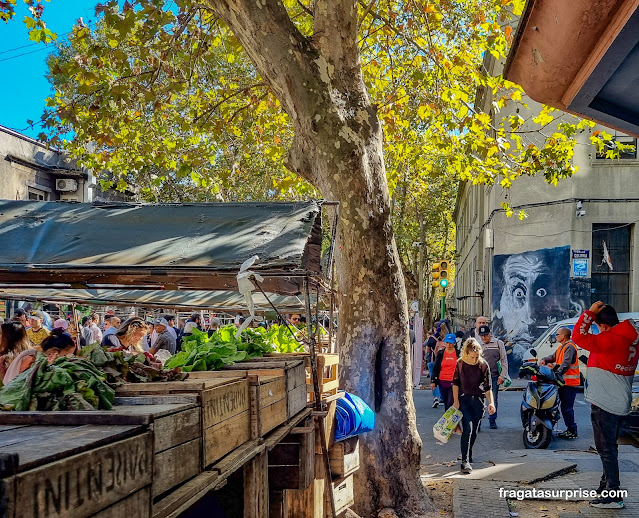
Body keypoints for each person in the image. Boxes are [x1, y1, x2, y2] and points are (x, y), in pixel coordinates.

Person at [572, 301, 639, 509]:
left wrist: (589, 313)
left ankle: (613, 495)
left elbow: (578, 336)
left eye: (597, 325)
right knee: (609, 448)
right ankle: (605, 486)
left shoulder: (609, 339)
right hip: (620, 400)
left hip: (605, 402)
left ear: (602, 325)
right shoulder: (629, 339)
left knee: (606, 449)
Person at [452, 338, 496, 474]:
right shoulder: (459, 364)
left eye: (476, 357)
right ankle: (464, 461)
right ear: (466, 353)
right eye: (472, 357)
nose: (474, 360)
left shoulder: (483, 365)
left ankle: (469, 451)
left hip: (478, 401)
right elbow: (455, 383)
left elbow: (488, 387)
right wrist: (455, 401)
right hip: (464, 400)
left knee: (475, 431)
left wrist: (491, 403)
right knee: (467, 430)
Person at [539, 326, 580, 439]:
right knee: (560, 406)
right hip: (563, 382)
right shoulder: (562, 347)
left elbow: (565, 364)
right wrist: (544, 360)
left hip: (569, 383)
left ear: (563, 336)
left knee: (566, 408)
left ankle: (572, 430)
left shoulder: (569, 347)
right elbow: (553, 357)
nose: (556, 336)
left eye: (557, 334)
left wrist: (556, 373)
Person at [477, 324, 507, 429]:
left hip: (494, 376)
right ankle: (478, 421)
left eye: (485, 335)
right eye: (482, 336)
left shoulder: (498, 343)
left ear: (490, 334)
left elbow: (504, 360)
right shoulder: (478, 345)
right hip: (480, 377)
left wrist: (503, 376)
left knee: (493, 399)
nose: (484, 338)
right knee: (479, 399)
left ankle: (492, 420)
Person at [431, 333, 459, 409]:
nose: (449, 345)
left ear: (454, 343)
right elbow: (436, 367)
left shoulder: (458, 354)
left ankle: (452, 419)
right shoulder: (441, 353)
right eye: (447, 343)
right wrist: (433, 381)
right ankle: (449, 419)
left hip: (454, 381)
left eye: (450, 343)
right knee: (446, 402)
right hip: (442, 381)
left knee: (451, 401)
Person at [425, 321, 448, 408]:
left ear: (435, 329)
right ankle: (443, 397)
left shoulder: (432, 339)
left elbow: (427, 351)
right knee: (443, 379)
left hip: (434, 362)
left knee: (433, 379)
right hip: (445, 362)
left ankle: (435, 398)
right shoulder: (447, 338)